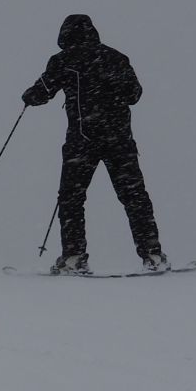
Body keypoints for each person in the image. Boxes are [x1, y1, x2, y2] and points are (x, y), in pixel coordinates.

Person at [22, 14, 167, 275]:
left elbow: (41, 92)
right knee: (134, 196)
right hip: (119, 140)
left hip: (82, 141)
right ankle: (152, 255)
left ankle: (74, 257)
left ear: (65, 35)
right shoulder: (116, 57)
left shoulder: (63, 60)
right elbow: (134, 94)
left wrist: (29, 96)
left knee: (71, 199)